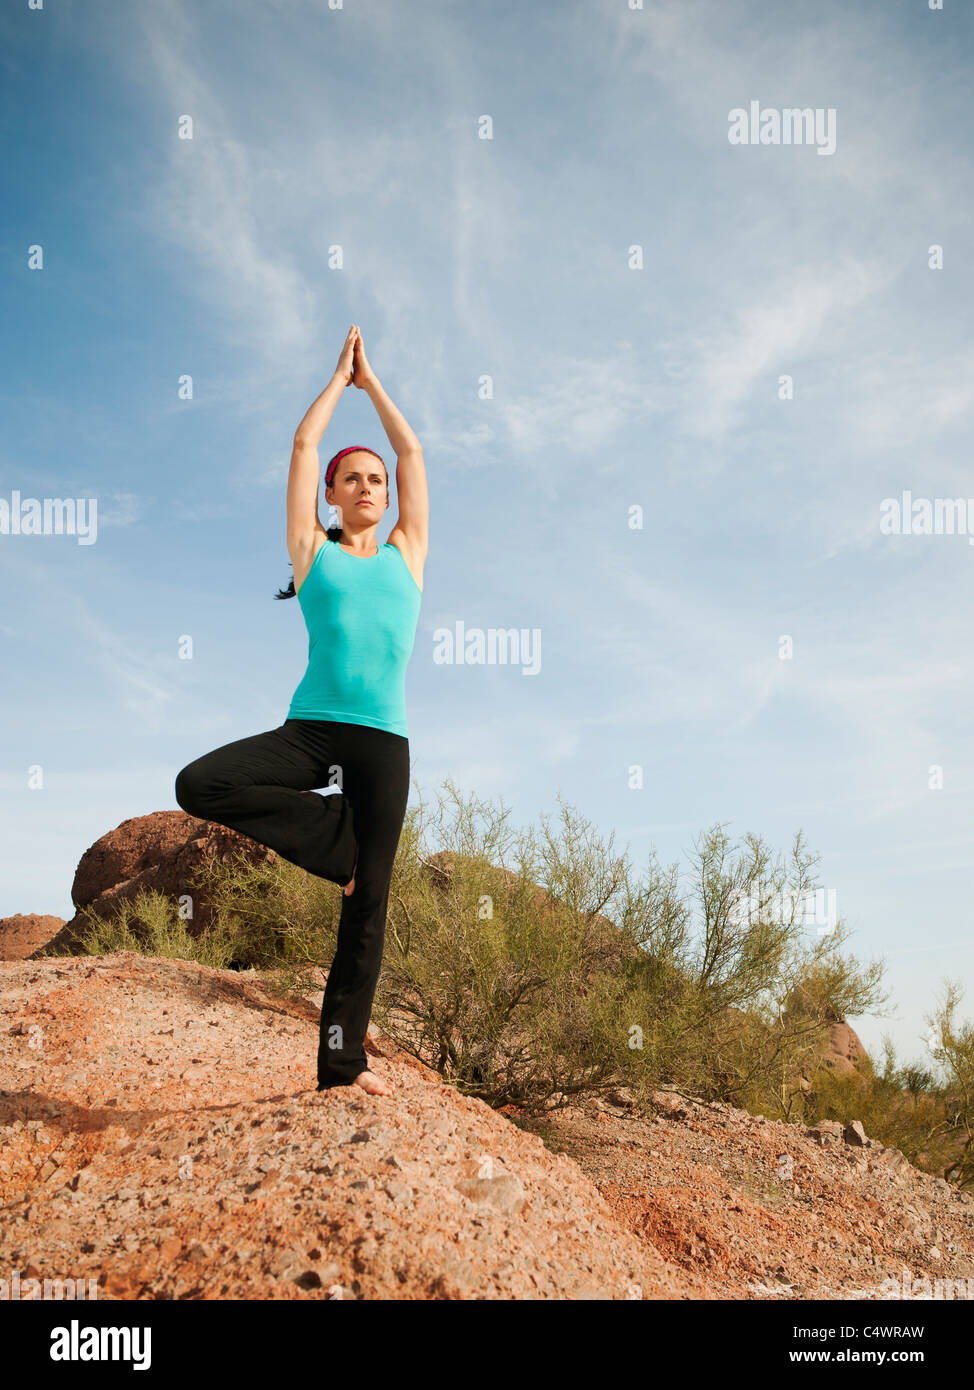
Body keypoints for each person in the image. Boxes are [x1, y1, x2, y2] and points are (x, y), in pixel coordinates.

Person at [174, 324, 428, 1096]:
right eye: (350, 478)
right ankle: (334, 844)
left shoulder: (406, 554)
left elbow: (412, 453)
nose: (366, 487)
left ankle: (341, 1069)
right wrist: (335, 380)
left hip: (383, 739)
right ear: (331, 494)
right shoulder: (310, 554)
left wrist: (372, 381)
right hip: (312, 729)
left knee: (367, 912)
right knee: (200, 783)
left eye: (373, 481)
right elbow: (299, 444)